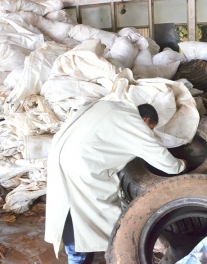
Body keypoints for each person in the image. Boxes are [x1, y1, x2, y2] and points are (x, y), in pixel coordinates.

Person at [44, 100, 187, 263]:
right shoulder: (134, 123)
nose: (149, 133)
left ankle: (78, 254)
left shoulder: (108, 106)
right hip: (82, 168)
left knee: (69, 209)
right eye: (151, 130)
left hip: (60, 157)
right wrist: (180, 165)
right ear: (146, 120)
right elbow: (165, 161)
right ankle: (81, 257)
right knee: (88, 219)